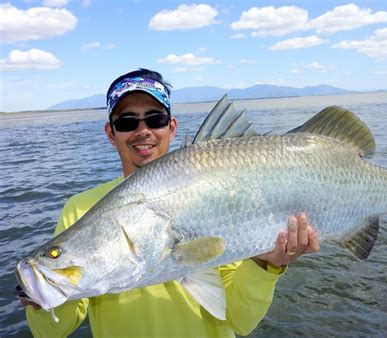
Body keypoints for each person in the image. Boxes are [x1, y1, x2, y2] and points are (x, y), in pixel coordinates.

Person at [21, 69, 320, 337]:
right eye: (127, 122)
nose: (143, 131)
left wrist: (264, 265)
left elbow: (239, 321)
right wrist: (41, 298)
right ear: (111, 133)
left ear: (172, 126)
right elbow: (51, 333)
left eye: (155, 119)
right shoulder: (79, 209)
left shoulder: (225, 191)